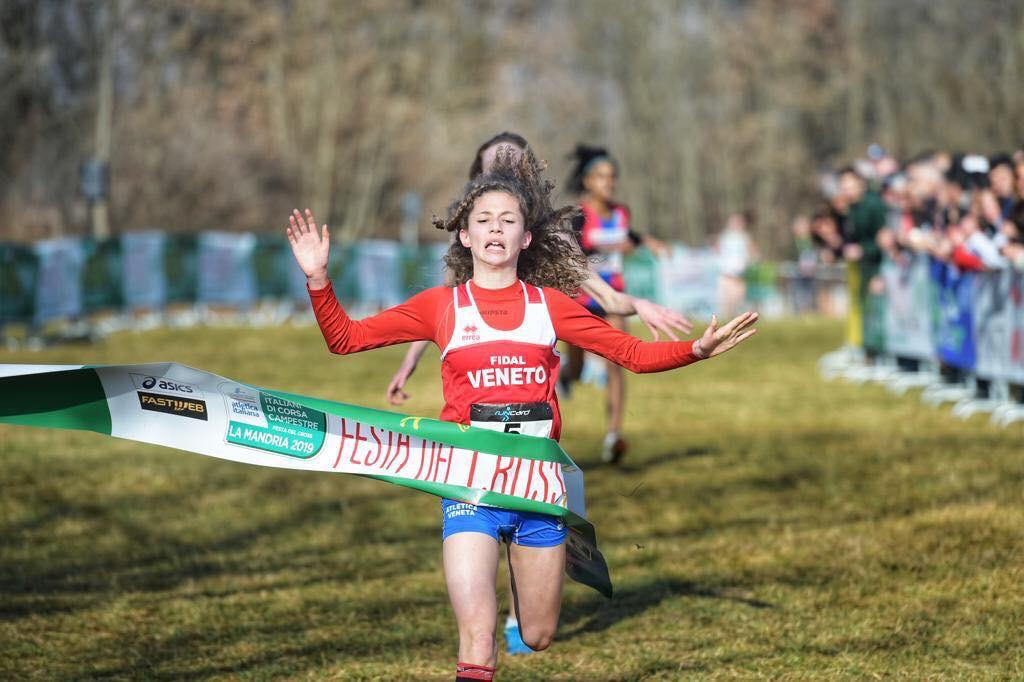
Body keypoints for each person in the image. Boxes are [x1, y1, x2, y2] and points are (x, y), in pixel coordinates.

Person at [286, 149, 757, 680]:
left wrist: (695, 350)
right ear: (464, 236)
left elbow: (630, 356)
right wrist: (319, 280)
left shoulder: (550, 306)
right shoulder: (441, 305)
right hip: (469, 491)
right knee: (478, 639)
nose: (495, 229)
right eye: (483, 220)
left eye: (508, 221)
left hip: (539, 491)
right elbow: (345, 339)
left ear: (525, 238)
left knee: (537, 634)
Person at [385, 133, 692, 408]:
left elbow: (608, 299)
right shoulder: (473, 236)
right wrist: (409, 361)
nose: (503, 169)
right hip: (477, 369)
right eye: (493, 163)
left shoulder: (552, 234)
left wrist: (638, 304)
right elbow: (442, 302)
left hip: (529, 370)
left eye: (512, 162)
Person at [560, 144, 669, 464]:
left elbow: (628, 235)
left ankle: (613, 434)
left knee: (616, 365)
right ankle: (568, 375)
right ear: (588, 181)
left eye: (612, 177)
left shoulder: (621, 213)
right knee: (579, 369)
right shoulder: (578, 215)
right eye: (601, 177)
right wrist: (598, 245)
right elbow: (571, 247)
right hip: (581, 298)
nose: (609, 183)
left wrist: (649, 242)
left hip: (614, 300)